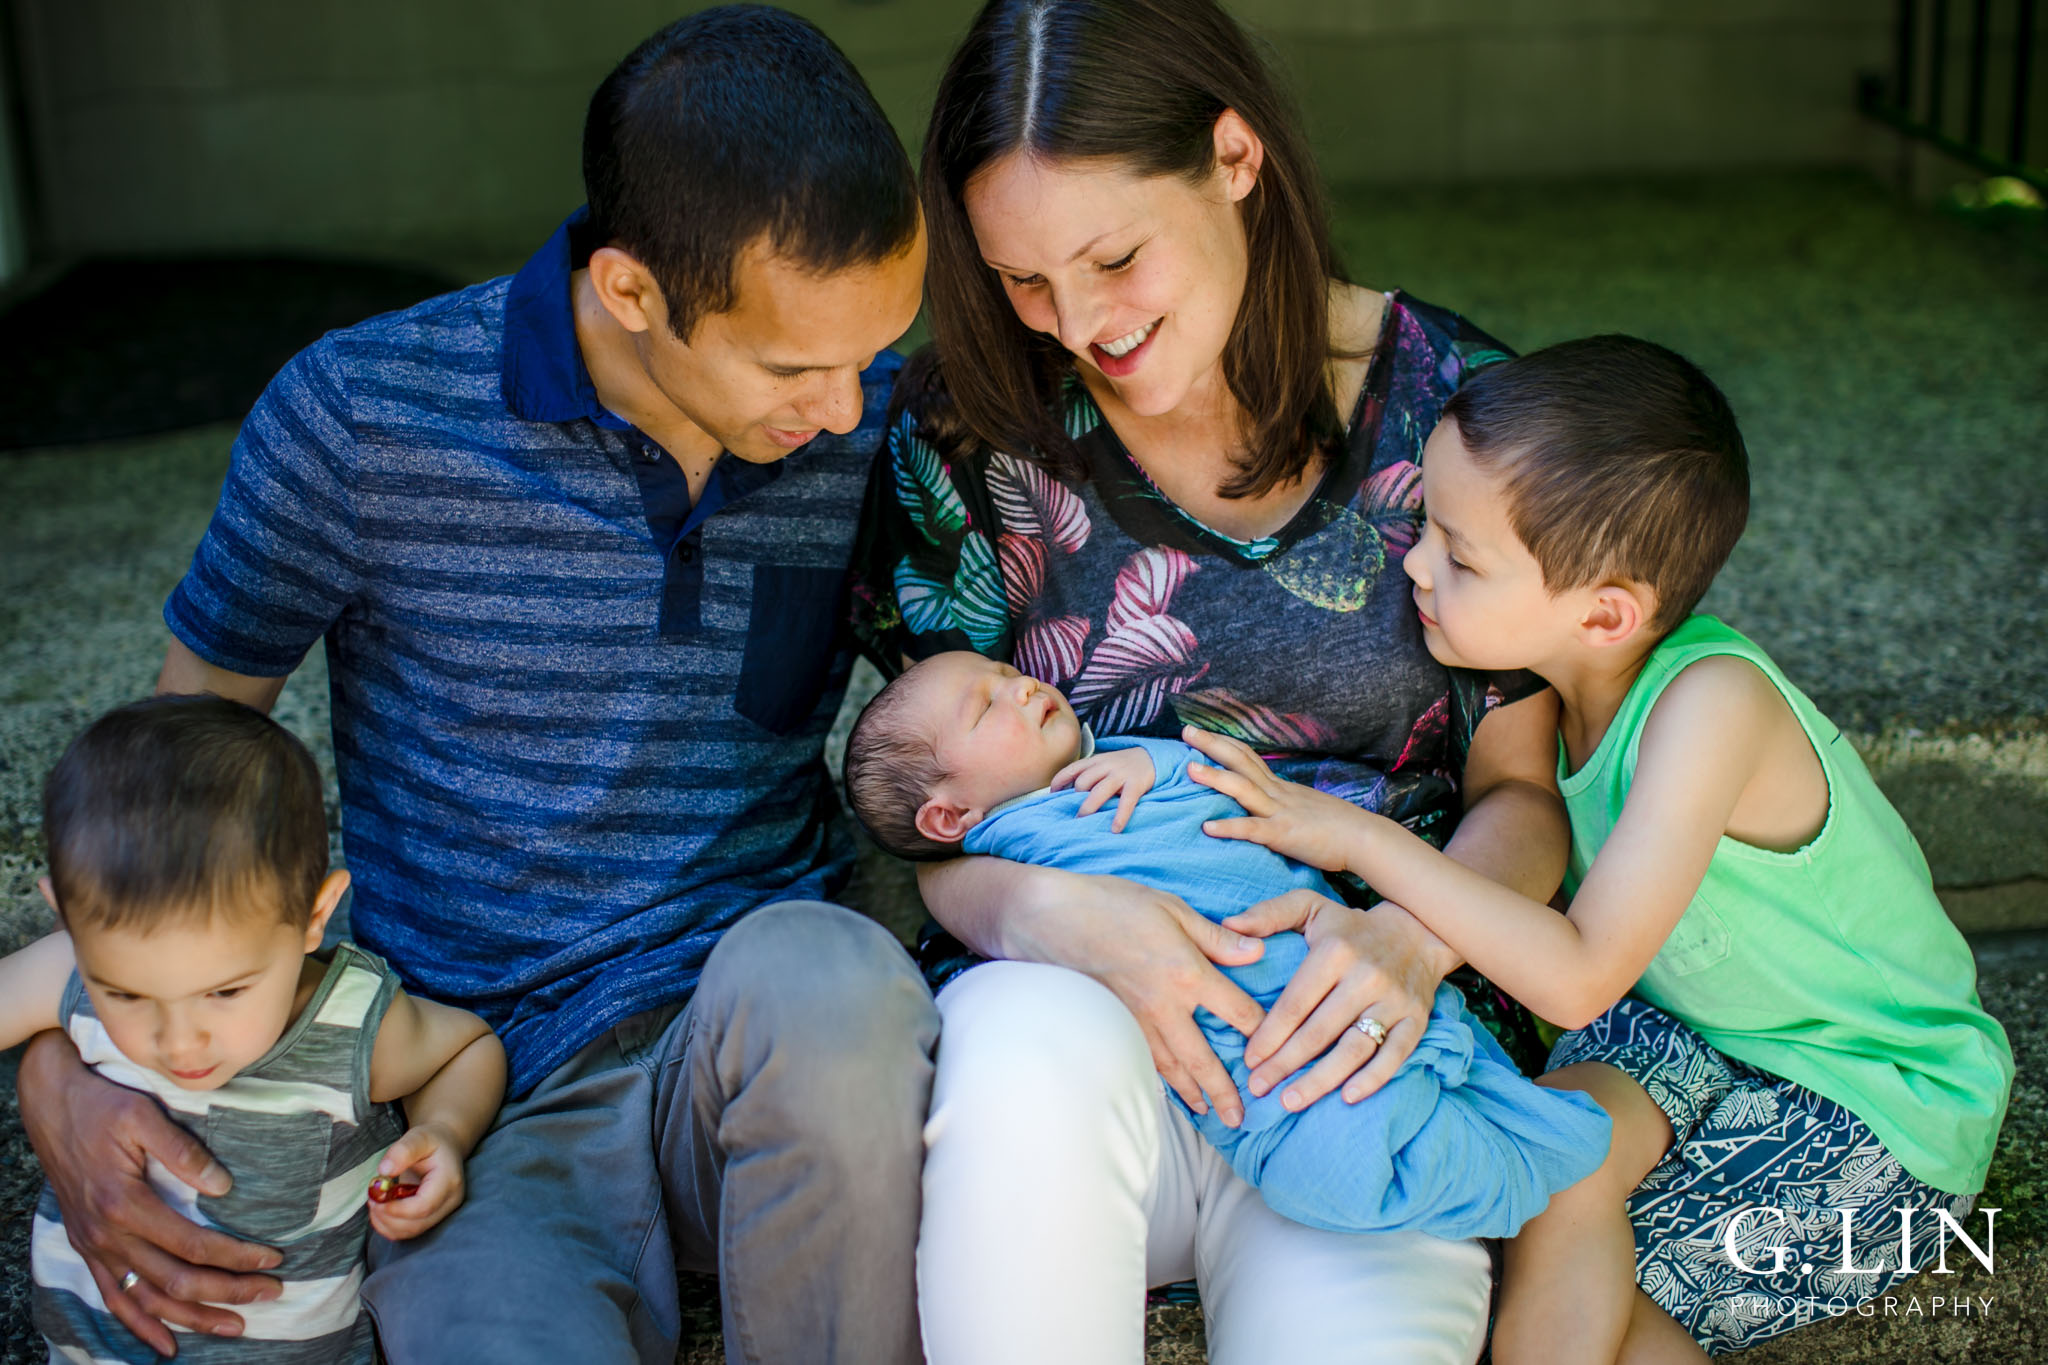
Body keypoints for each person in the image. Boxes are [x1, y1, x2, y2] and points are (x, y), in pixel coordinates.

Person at [15, 9, 938, 1364]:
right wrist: (60, 1071)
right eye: (798, 366)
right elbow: (167, 795)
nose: (849, 408)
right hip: (478, 1097)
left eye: (870, 354)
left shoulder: (870, 428)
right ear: (630, 293)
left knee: (838, 976)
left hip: (764, 1044)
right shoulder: (358, 418)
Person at [850, 0, 1571, 1358]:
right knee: (1016, 1029)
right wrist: (1049, 916)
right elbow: (935, 821)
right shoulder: (965, 439)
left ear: (1236, 157)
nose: (1080, 327)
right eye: (1023, 281)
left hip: (1365, 1059)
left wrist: (1412, 943)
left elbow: (1525, 799)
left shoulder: (1462, 416)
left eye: (1114, 258)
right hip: (1075, 1059)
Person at [1187, 335, 2015, 1361]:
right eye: (1424, 529)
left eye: (1459, 553)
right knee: (1532, 1163)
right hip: (1681, 1036)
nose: (1413, 565)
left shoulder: (1710, 706)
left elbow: (1574, 980)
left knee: (1611, 1306)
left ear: (1605, 611)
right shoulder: (1543, 695)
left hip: (1871, 1090)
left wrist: (1355, 838)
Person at [843, 650, 1611, 1240]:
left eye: (1007, 672)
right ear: (949, 818)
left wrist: (1148, 761)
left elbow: (1202, 773)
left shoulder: (1117, 761)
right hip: (1235, 1063)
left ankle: (1526, 1145)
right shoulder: (1002, 844)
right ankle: (1512, 1164)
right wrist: (1024, 902)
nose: (1020, 686)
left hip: (1322, 956)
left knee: (1381, 1082)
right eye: (986, 708)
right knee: (1329, 1169)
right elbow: (946, 885)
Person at [8, 695, 505, 1364]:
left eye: (225, 991)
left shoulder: (352, 1021)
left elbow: (466, 1049)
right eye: (124, 992)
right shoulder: (75, 962)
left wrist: (444, 1129)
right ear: (65, 915)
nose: (178, 1041)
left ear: (313, 915)